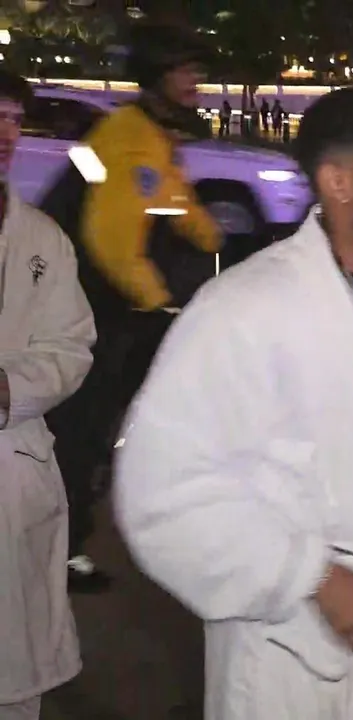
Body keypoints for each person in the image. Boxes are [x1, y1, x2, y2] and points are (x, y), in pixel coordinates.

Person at [112, 83, 353, 719]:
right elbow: (160, 492)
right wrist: (311, 577)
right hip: (294, 646)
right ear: (338, 182)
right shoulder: (245, 307)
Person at [40, 19, 223, 594]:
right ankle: (58, 552)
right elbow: (113, 241)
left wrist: (215, 240)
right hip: (92, 304)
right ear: (157, 75)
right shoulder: (129, 137)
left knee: (94, 423)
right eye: (185, 70)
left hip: (106, 302)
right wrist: (158, 303)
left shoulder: (151, 135)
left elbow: (175, 203)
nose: (195, 80)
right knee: (82, 427)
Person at [0, 68, 96, 720]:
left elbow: (71, 345)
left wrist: (9, 389)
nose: (5, 133)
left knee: (15, 666)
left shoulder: (42, 239)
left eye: (12, 118)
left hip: (14, 466)